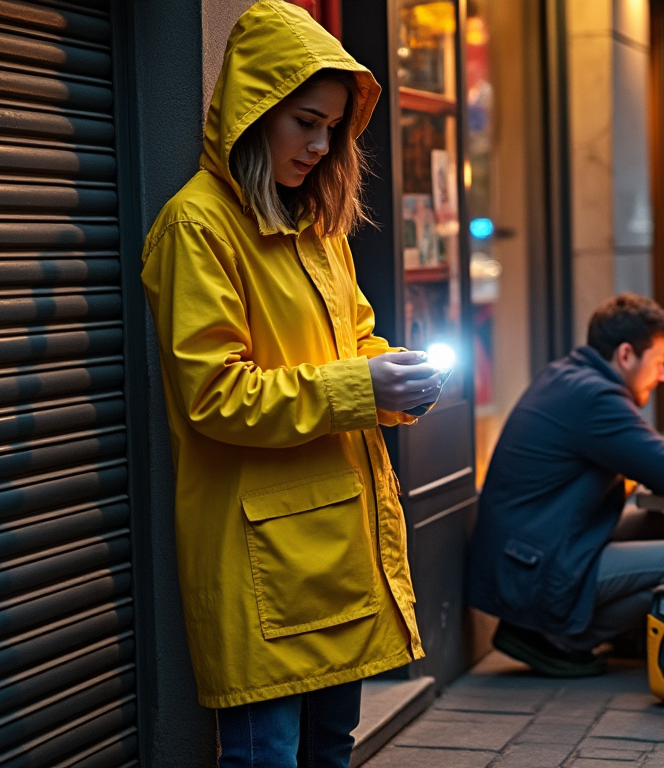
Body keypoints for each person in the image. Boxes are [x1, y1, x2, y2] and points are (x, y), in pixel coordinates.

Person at [138, 4, 444, 764]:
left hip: (336, 557)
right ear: (255, 111)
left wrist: (400, 378)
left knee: (332, 750)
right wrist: (364, 388)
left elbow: (357, 340)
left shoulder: (318, 225)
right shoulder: (197, 228)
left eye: (333, 129)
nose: (320, 145)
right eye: (305, 121)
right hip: (263, 571)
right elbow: (214, 395)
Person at [467, 294, 664, 677]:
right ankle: (556, 639)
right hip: (533, 567)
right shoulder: (596, 398)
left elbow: (646, 459)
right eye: (660, 362)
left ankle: (573, 629)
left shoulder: (568, 377)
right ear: (625, 355)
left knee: (655, 526)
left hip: (527, 550)